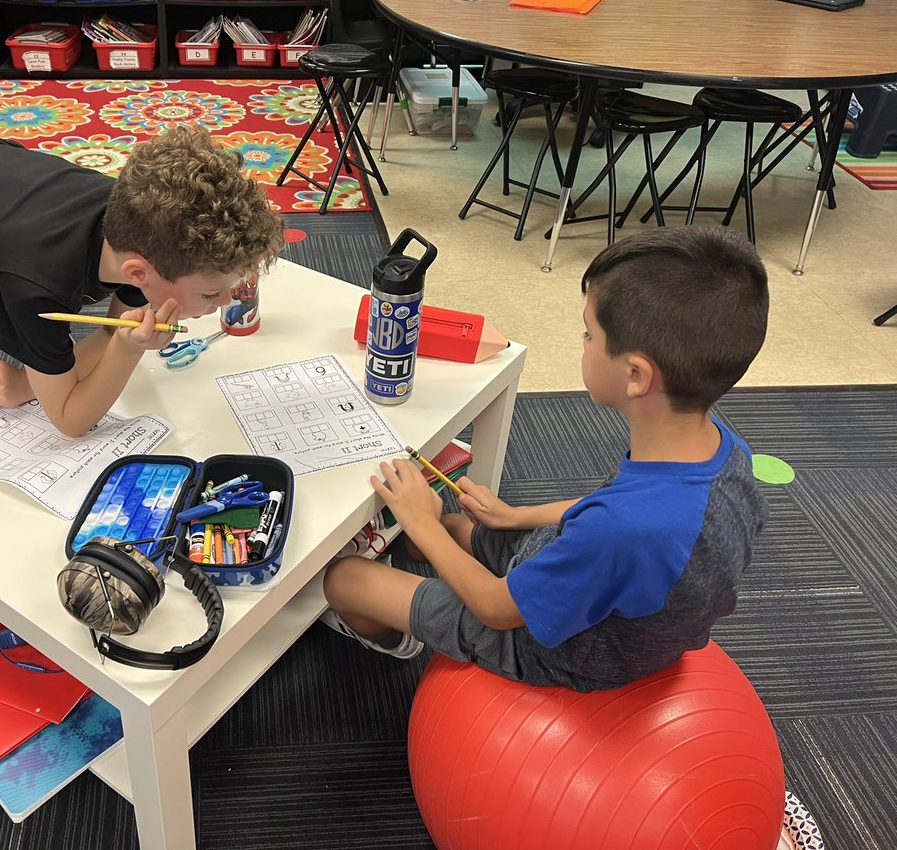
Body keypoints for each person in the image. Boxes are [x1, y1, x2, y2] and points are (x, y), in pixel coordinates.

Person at [321, 226, 770, 691]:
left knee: (345, 579)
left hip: (550, 650)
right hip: (600, 589)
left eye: (588, 334)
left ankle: (395, 641)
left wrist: (422, 524)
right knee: (455, 530)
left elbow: (497, 609)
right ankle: (428, 551)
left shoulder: (625, 530)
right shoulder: (722, 451)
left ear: (635, 375)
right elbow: (612, 507)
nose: (583, 342)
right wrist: (514, 515)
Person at [0, 125, 284, 463]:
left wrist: (28, 382)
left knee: (34, 346)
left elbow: (108, 331)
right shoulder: (34, 288)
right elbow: (70, 419)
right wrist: (128, 349)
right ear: (140, 272)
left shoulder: (135, 228)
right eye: (212, 293)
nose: (227, 301)